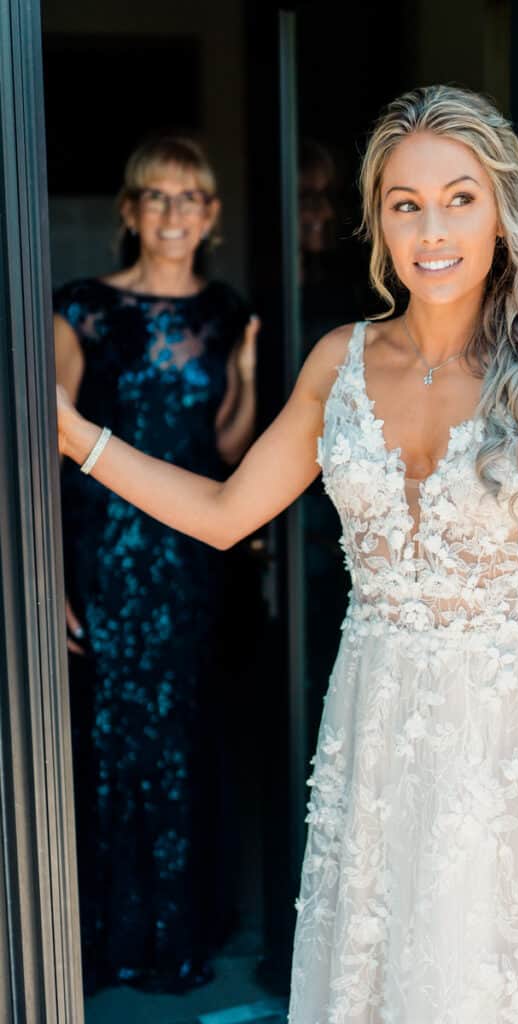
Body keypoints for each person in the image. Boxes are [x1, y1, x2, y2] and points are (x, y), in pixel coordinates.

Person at [57, 86, 518, 1020]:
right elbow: (223, 511)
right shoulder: (340, 360)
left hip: (505, 733)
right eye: (404, 204)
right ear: (377, 224)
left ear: (499, 212)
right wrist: (76, 437)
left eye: (458, 197)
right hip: (370, 713)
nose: (431, 228)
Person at [54, 135, 258, 994]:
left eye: (191, 198)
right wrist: (49, 577)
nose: (174, 212)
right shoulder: (80, 309)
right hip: (104, 550)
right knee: (106, 739)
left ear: (210, 217)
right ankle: (102, 942)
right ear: (131, 211)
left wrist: (245, 369)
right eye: (157, 196)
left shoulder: (223, 313)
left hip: (191, 551)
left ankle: (177, 935)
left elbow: (230, 449)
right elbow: (48, 437)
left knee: (184, 737)